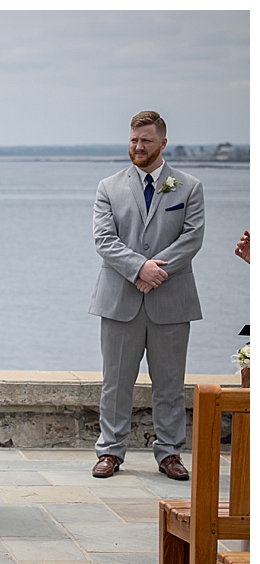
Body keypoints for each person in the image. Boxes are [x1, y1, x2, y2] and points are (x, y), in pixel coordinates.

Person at [88, 111, 204, 481]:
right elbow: (104, 240)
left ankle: (170, 453)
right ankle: (110, 451)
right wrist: (140, 268)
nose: (138, 147)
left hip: (172, 300)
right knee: (116, 382)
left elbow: (192, 237)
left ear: (163, 144)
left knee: (170, 383)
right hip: (120, 299)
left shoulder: (189, 186)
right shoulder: (108, 187)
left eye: (146, 141)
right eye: (134, 140)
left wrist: (157, 271)